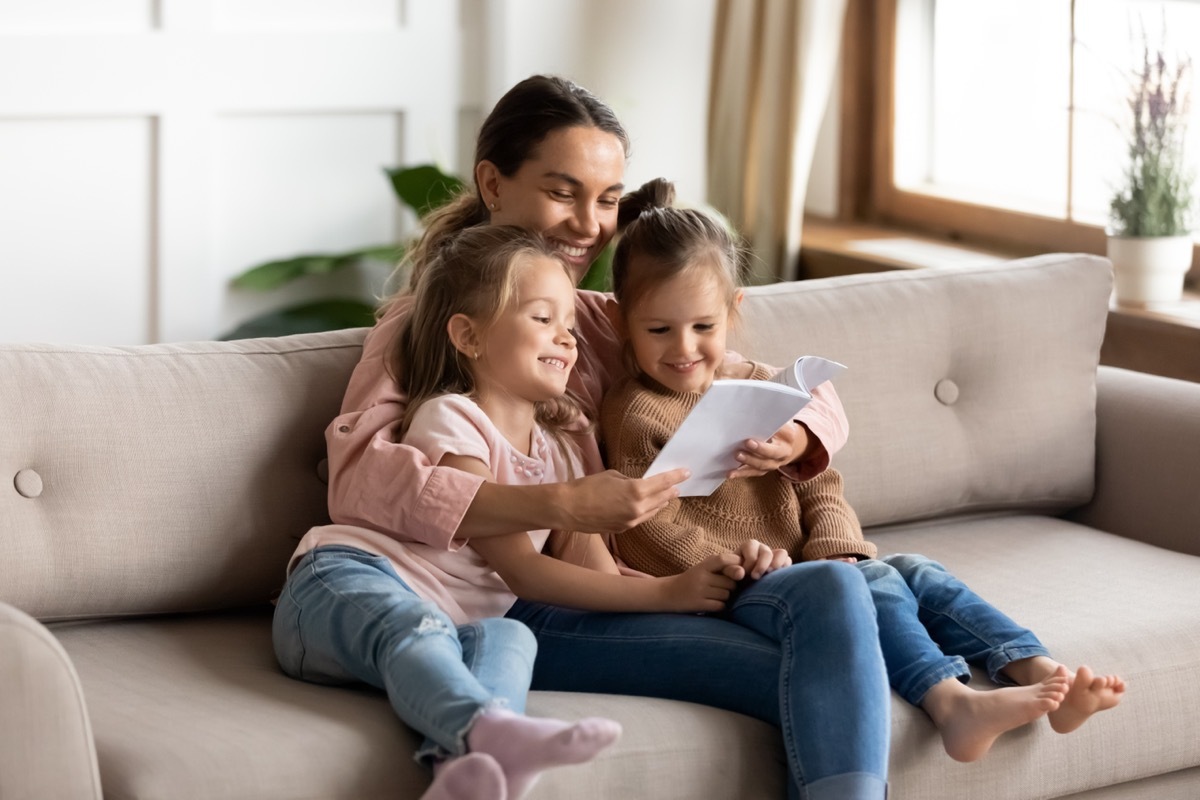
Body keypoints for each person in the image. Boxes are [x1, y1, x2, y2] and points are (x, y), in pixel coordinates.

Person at [283, 74, 893, 800]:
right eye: (562, 191)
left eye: (607, 200)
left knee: (843, 619)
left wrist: (795, 432)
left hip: (605, 582)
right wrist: (563, 506)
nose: (589, 224)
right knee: (817, 647)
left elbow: (793, 381)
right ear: (493, 184)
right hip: (511, 595)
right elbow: (364, 481)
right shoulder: (427, 326)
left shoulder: (606, 321)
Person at [599, 177, 1128, 764]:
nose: (684, 349)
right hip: (749, 589)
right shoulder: (635, 413)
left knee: (917, 572)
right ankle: (952, 703)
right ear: (623, 322)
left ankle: (1042, 673)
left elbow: (822, 482)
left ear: (734, 310)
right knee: (871, 582)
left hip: (815, 569)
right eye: (658, 330)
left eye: (704, 327)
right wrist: (730, 565)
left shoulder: (761, 390)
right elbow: (645, 527)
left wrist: (835, 546)